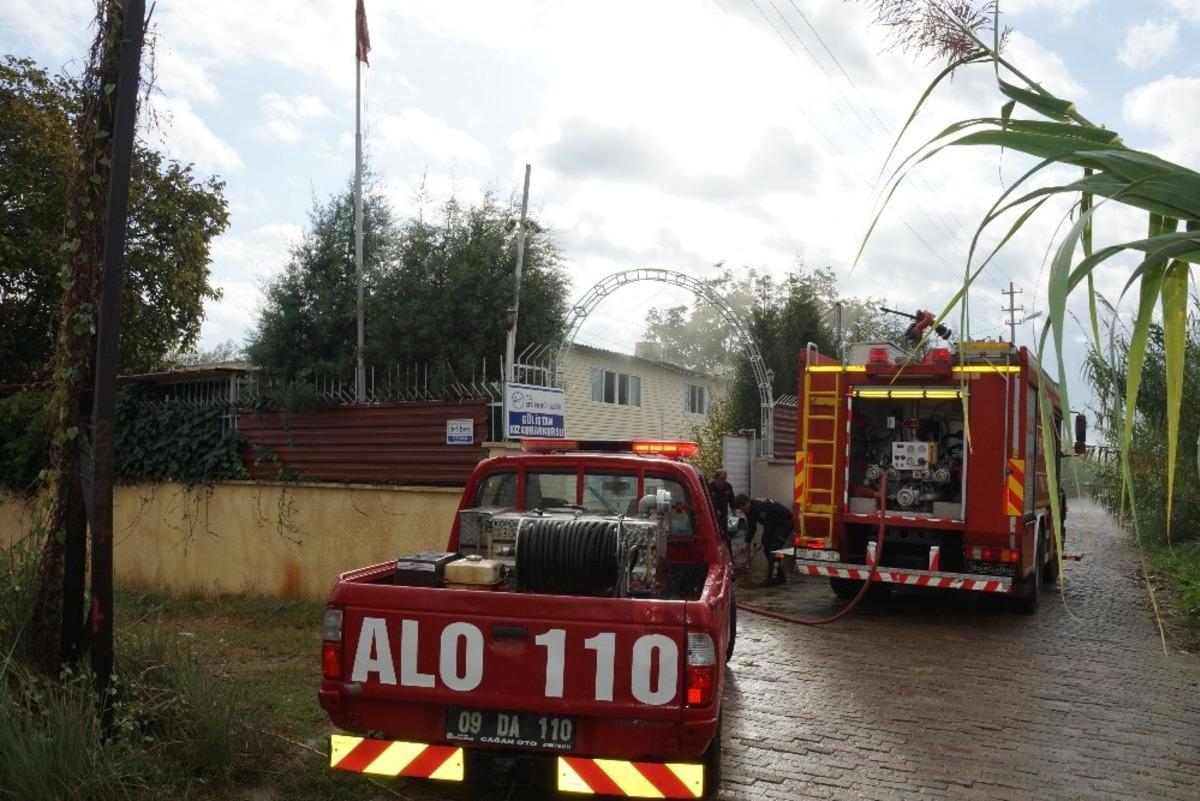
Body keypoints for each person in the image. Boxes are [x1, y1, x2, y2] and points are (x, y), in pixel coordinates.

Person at [734, 493, 794, 587]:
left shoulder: (760, 508)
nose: (742, 511)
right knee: (767, 550)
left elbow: (768, 526)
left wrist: (762, 542)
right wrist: (747, 542)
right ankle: (780, 577)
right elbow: (752, 527)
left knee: (775, 550)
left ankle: (772, 578)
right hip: (775, 525)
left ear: (746, 503)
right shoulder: (750, 510)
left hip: (785, 523)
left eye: (742, 508)